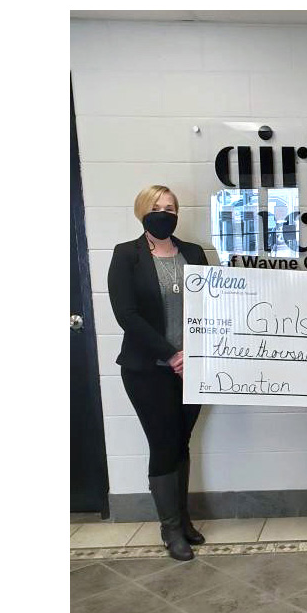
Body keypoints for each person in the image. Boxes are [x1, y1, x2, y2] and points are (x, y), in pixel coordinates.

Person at [107, 185, 208, 561]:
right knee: (163, 443)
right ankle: (169, 529)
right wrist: (171, 355)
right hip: (148, 370)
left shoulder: (193, 253)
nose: (164, 213)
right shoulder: (126, 256)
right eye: (157, 207)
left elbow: (213, 304)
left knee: (181, 442)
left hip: (194, 369)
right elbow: (127, 316)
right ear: (142, 212)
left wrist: (192, 355)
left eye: (171, 207)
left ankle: (183, 519)